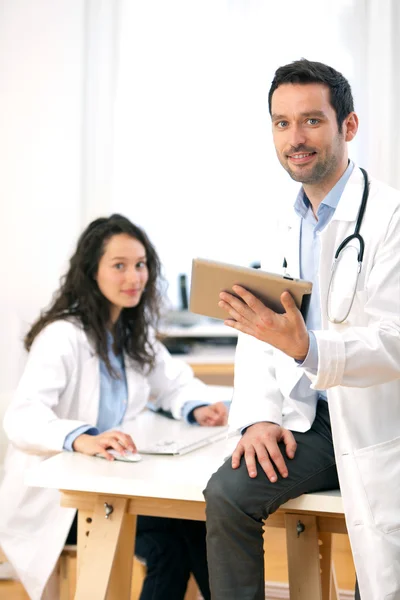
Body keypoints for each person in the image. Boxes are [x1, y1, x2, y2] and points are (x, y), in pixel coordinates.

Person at [204, 59, 400, 600]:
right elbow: (256, 335)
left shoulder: (390, 218)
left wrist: (311, 349)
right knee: (227, 493)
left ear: (349, 126)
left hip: (380, 423)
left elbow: (394, 340)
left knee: (381, 570)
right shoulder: (281, 222)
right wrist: (258, 419)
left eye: (312, 120)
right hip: (308, 424)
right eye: (282, 123)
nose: (296, 138)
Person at [0, 214, 229, 600]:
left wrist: (196, 407)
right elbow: (21, 417)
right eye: (119, 266)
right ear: (91, 273)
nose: (134, 278)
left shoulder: (129, 332)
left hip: (114, 484)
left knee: (196, 526)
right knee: (169, 548)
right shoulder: (63, 336)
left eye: (140, 265)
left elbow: (172, 382)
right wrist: (80, 437)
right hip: (62, 501)